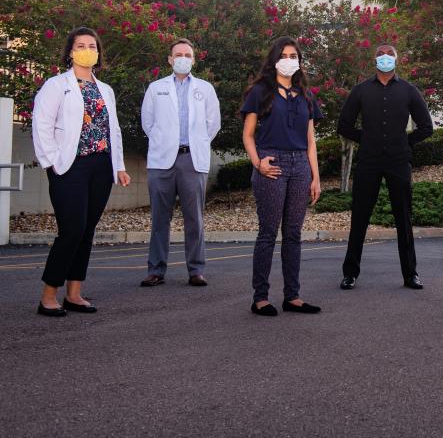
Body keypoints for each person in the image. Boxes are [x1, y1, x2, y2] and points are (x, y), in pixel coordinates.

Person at [32, 27, 131, 316]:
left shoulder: (105, 90)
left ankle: (74, 294)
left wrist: (120, 166)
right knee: (71, 229)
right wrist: (51, 162)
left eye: (92, 45)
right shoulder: (56, 85)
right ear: (71, 51)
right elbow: (42, 125)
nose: (87, 48)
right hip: (69, 166)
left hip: (101, 166)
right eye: (81, 44)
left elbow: (113, 131)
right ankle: (48, 296)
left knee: (87, 231)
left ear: (98, 52)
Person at [337, 45, 434, 290]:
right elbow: (344, 125)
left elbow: (426, 127)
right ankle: (350, 273)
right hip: (368, 161)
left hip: (398, 161)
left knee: (403, 218)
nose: (385, 58)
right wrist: (367, 139)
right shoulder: (360, 90)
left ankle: (410, 274)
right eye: (381, 54)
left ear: (396, 60)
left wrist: (403, 141)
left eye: (389, 55)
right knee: (359, 217)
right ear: (375, 60)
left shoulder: (408, 90)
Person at [241, 37, 323, 316]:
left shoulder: (306, 96)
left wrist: (316, 176)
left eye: (294, 56)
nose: (289, 60)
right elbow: (248, 135)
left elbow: (311, 141)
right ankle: (260, 297)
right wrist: (257, 163)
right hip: (271, 164)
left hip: (300, 165)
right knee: (267, 233)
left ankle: (293, 296)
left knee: (293, 234)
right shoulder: (260, 92)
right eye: (284, 55)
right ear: (274, 59)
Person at [140, 38, 221, 288]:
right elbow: (148, 123)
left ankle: (196, 270)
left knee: (194, 218)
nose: (183, 58)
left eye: (188, 54)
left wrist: (196, 142)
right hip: (162, 161)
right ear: (170, 59)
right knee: (159, 218)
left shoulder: (205, 88)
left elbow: (213, 124)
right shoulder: (156, 88)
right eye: (178, 54)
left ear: (194, 60)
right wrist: (164, 142)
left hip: (192, 160)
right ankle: (156, 270)